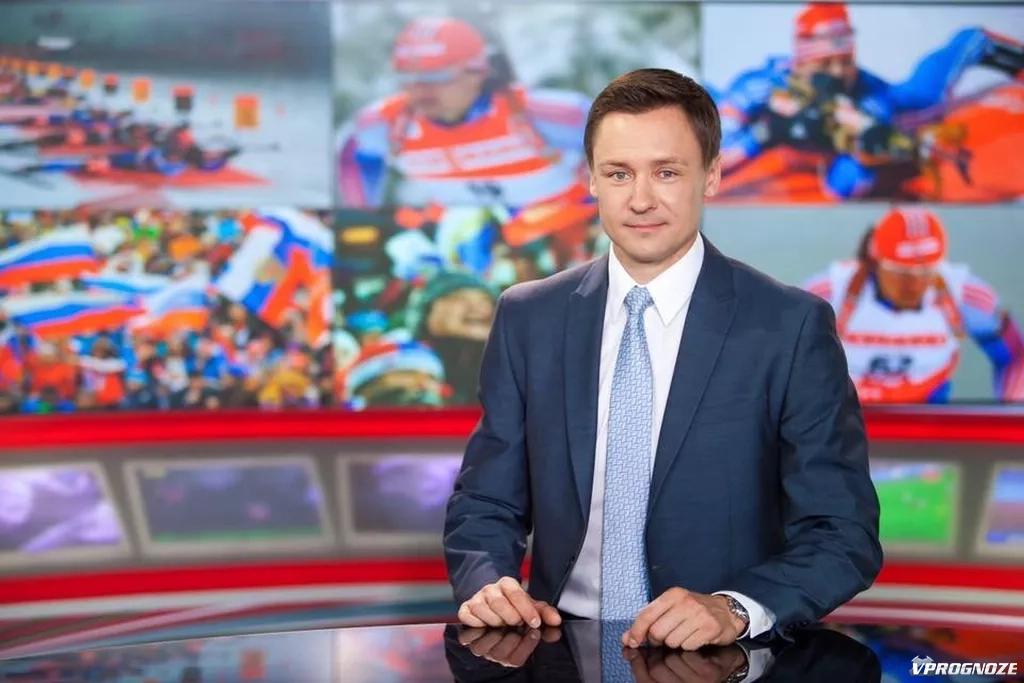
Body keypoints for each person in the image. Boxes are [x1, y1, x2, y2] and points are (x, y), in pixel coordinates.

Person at [443, 68, 882, 652]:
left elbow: (842, 533)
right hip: (557, 650)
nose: (641, 199)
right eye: (618, 173)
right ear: (591, 179)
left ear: (712, 174)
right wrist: (489, 583)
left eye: (667, 172)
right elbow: (486, 501)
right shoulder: (529, 317)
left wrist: (735, 608)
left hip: (721, 658)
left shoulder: (789, 326)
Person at [715, 2, 1023, 198]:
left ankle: (975, 44)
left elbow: (865, 154)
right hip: (774, 159)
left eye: (846, 61)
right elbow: (714, 152)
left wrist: (871, 140)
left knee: (920, 97)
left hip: (877, 118)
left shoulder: (866, 92)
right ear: (802, 63)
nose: (838, 73)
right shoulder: (757, 87)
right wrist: (766, 134)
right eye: (825, 64)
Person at [801, 207, 1024, 403]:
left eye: (926, 271)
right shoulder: (827, 293)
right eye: (901, 272)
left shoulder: (966, 296)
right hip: (843, 410)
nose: (914, 285)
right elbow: (784, 358)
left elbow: (1016, 357)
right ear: (875, 261)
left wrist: (1012, 415)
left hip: (926, 415)